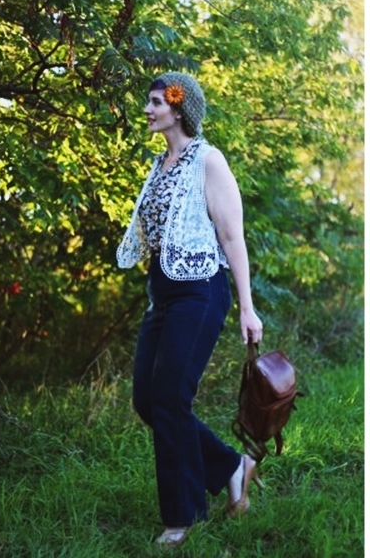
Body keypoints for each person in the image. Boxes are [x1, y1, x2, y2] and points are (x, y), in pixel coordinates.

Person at [116, 71, 264, 548]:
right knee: (147, 400)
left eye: (156, 102)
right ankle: (232, 467)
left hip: (201, 290)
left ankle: (182, 517)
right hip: (163, 294)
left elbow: (231, 236)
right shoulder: (158, 167)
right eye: (149, 101)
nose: (148, 109)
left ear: (179, 109)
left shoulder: (209, 160)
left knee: (171, 397)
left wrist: (247, 307)